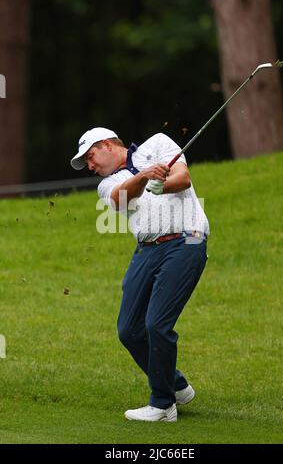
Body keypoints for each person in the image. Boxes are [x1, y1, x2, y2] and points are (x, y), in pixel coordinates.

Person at [71, 127, 209, 422]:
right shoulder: (107, 184)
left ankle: (163, 405)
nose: (91, 167)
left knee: (156, 324)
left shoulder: (159, 143)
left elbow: (182, 179)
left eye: (91, 157)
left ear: (107, 145)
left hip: (187, 241)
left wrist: (163, 184)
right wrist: (145, 177)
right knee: (129, 329)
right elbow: (121, 199)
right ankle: (176, 383)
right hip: (147, 250)